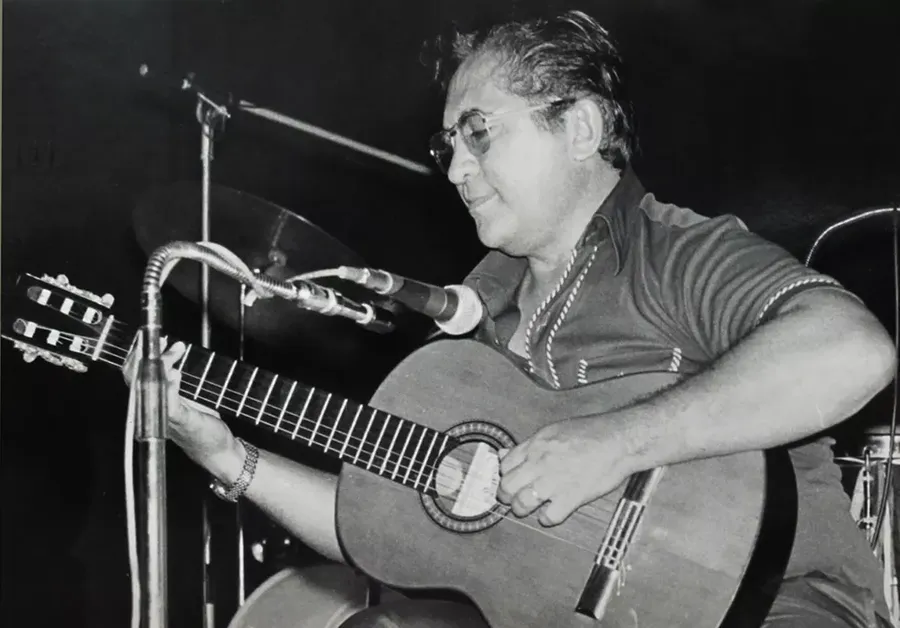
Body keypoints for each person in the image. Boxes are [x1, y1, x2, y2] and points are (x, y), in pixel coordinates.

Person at [126, 9, 897, 627]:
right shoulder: (471, 322)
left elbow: (852, 350)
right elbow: (386, 528)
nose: (456, 169)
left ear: (581, 129)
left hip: (781, 607)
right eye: (448, 145)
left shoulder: (673, 252)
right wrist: (227, 456)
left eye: (480, 132)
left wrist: (617, 441)